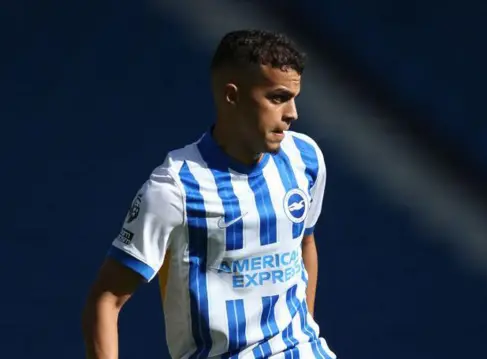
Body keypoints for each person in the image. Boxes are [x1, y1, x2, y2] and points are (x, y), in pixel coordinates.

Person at [81, 29, 336, 359]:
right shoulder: (175, 188)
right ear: (232, 96)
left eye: (294, 98)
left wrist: (301, 340)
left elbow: (304, 244)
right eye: (277, 98)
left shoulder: (306, 157)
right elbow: (106, 300)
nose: (292, 114)